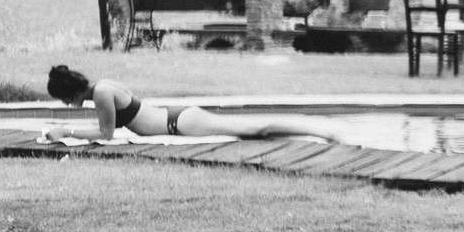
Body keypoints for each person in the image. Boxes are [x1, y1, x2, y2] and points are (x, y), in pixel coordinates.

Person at [45, 66, 342, 141]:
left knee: (255, 130)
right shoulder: (102, 87)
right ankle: (319, 132)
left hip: (180, 123)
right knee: (250, 132)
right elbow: (105, 126)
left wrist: (65, 132)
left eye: (62, 100)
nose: (66, 104)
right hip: (178, 118)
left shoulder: (100, 94)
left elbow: (106, 134)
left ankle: (323, 132)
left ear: (69, 93)